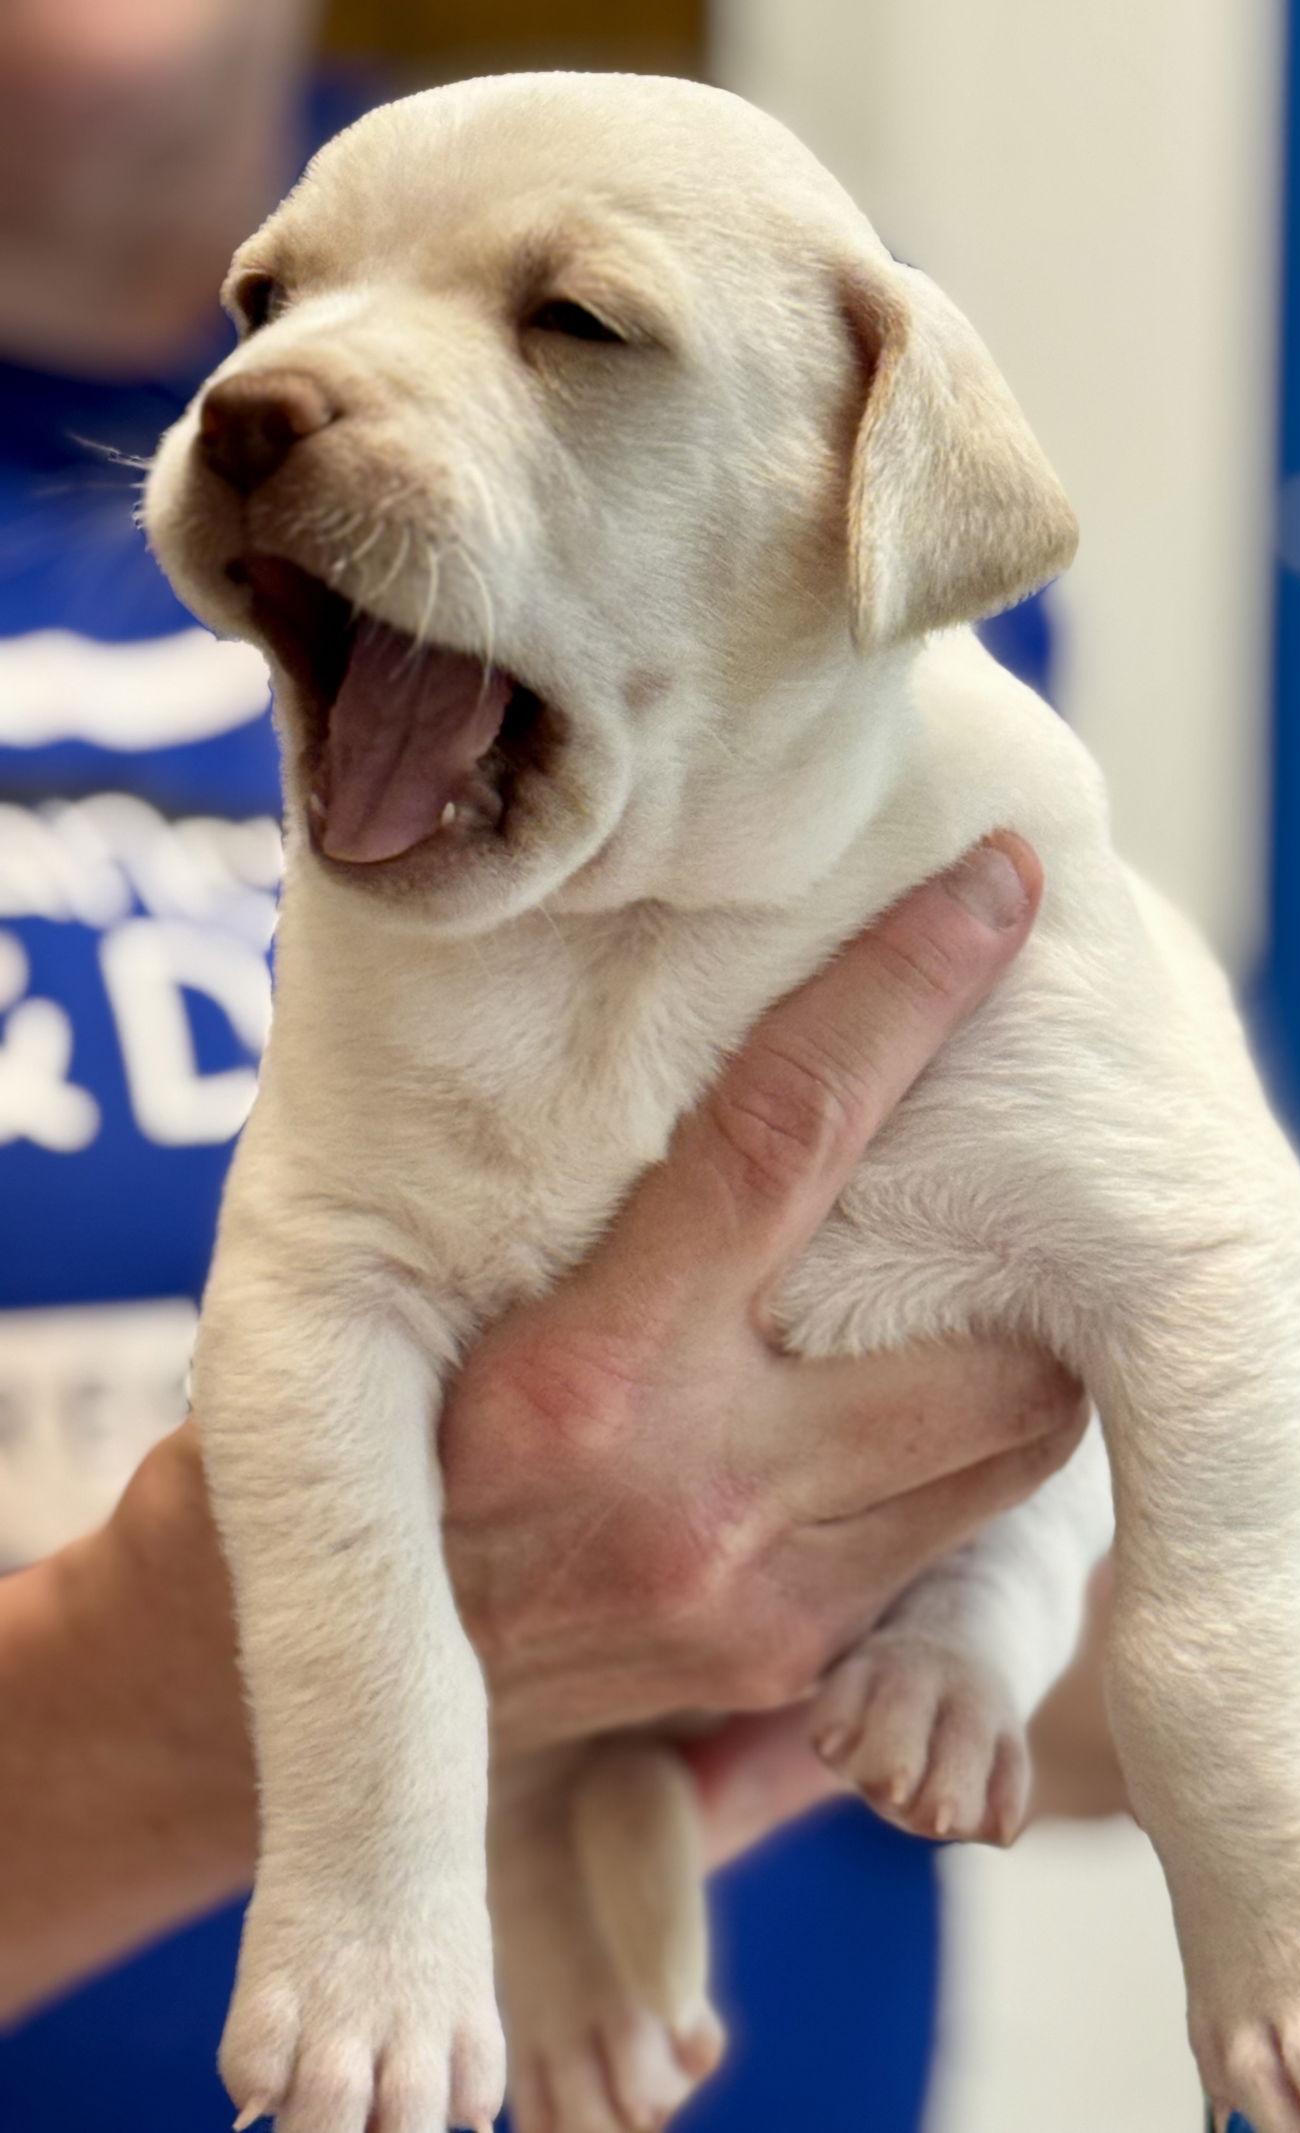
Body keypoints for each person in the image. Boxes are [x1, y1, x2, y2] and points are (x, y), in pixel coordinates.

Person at [0, 4, 1121, 2127]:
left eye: (576, 326)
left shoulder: (774, 364)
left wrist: (931, 1603)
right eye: (271, 303)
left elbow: (1106, 1611)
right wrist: (213, 1698)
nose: (295, 371)